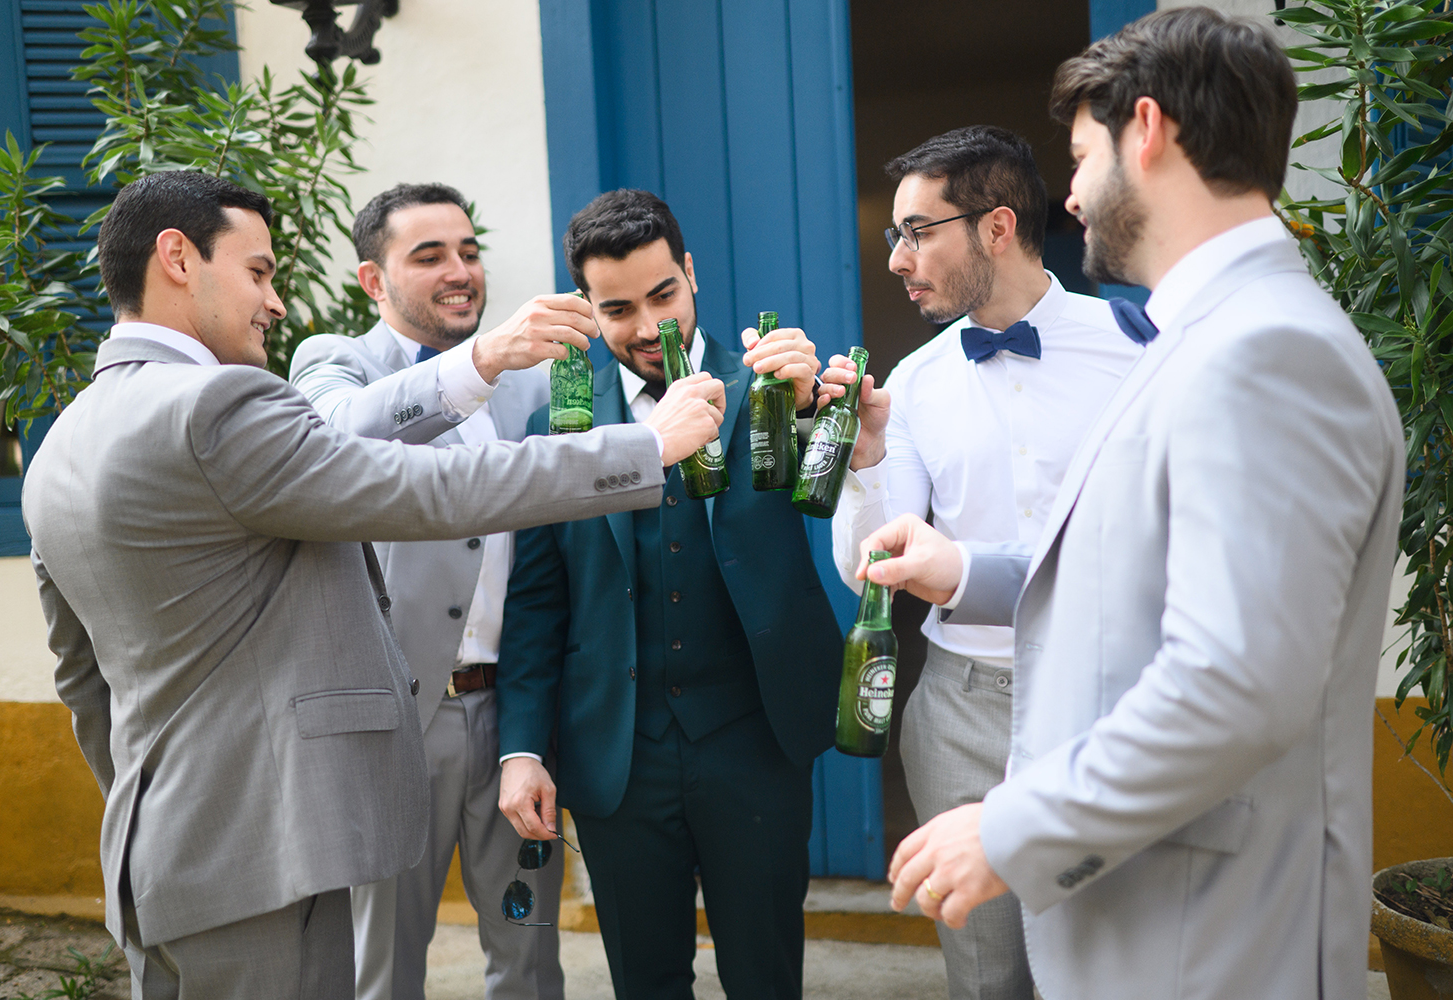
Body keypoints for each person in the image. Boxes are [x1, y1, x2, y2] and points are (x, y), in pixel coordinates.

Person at [22, 170, 727, 1000]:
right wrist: (644, 451)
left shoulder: (62, 440)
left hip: (162, 850)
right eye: (258, 272)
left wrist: (163, 807)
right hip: (266, 853)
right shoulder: (216, 403)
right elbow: (419, 488)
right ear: (177, 258)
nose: (276, 303)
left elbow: (82, 680)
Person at [860, 9, 1403, 999]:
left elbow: (1234, 680)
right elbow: (1123, 574)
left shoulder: (1262, 352)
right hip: (1154, 922)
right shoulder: (1210, 338)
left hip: (1201, 943)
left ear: (1144, 131)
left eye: (1079, 155)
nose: (1067, 195)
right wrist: (968, 571)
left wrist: (1013, 824)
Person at [821, 125, 1140, 1000]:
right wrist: (867, 458)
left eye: (917, 232)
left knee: (1113, 962)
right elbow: (866, 569)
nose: (897, 259)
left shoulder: (1138, 348)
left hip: (1107, 700)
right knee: (987, 974)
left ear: (996, 227)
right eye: (896, 236)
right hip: (961, 713)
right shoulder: (915, 382)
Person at [496, 189, 840, 1000]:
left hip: (755, 742)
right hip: (617, 754)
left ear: (689, 274)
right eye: (617, 309)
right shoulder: (559, 429)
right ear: (586, 307)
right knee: (644, 982)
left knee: (766, 976)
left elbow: (834, 486)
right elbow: (537, 606)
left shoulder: (777, 390)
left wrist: (813, 407)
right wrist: (520, 750)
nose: (649, 327)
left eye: (663, 296)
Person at [288, 182, 580, 1000]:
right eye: (429, 256)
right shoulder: (332, 362)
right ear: (372, 282)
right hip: (390, 728)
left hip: (515, 725)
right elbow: (336, 440)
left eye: (468, 251)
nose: (460, 272)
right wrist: (480, 360)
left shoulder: (533, 386)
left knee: (528, 956)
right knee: (383, 969)